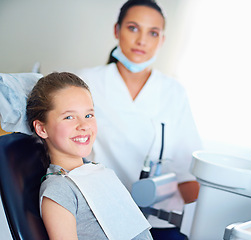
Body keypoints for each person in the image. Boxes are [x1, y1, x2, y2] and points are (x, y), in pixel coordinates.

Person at [76, 0, 202, 239]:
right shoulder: (85, 82)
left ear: (162, 40)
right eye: (133, 28)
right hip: (98, 212)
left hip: (158, 220)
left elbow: (189, 171)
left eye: (153, 33)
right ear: (117, 30)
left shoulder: (173, 91)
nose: (142, 40)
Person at [26, 72, 153, 240]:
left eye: (88, 115)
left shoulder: (98, 171)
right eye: (69, 117)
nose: (84, 125)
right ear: (42, 129)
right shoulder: (60, 190)